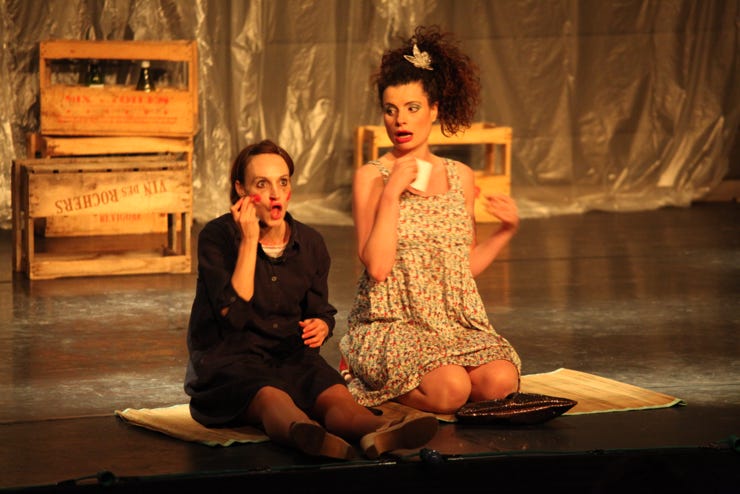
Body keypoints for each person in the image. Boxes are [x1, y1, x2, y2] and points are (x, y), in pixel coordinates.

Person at [184, 139, 438, 460]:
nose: (275, 193)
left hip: (291, 357)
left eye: (282, 182)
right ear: (241, 190)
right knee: (272, 399)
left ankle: (379, 430)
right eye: (262, 184)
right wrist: (249, 241)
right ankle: (307, 435)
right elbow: (233, 316)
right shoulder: (217, 237)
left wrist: (321, 324)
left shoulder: (310, 243)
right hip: (232, 361)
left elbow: (319, 310)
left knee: (336, 398)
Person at [339, 26, 522, 415]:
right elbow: (377, 267)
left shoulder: (460, 176)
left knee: (500, 382)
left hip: (453, 322)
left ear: (433, 110)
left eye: (412, 108)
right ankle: (366, 378)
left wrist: (505, 232)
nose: (400, 120)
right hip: (392, 324)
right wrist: (392, 193)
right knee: (452, 389)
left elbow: (462, 268)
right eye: (390, 110)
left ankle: (438, 379)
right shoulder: (371, 177)